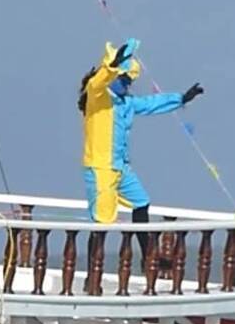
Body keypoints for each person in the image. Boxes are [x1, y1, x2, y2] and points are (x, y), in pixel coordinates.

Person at [78, 37, 204, 262]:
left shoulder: (126, 102)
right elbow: (97, 83)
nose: (127, 85)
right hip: (101, 169)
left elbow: (151, 104)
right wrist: (112, 65)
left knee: (141, 201)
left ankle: (148, 257)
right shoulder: (98, 97)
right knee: (102, 222)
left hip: (120, 167)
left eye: (129, 81)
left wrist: (181, 98)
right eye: (123, 79)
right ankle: (92, 274)